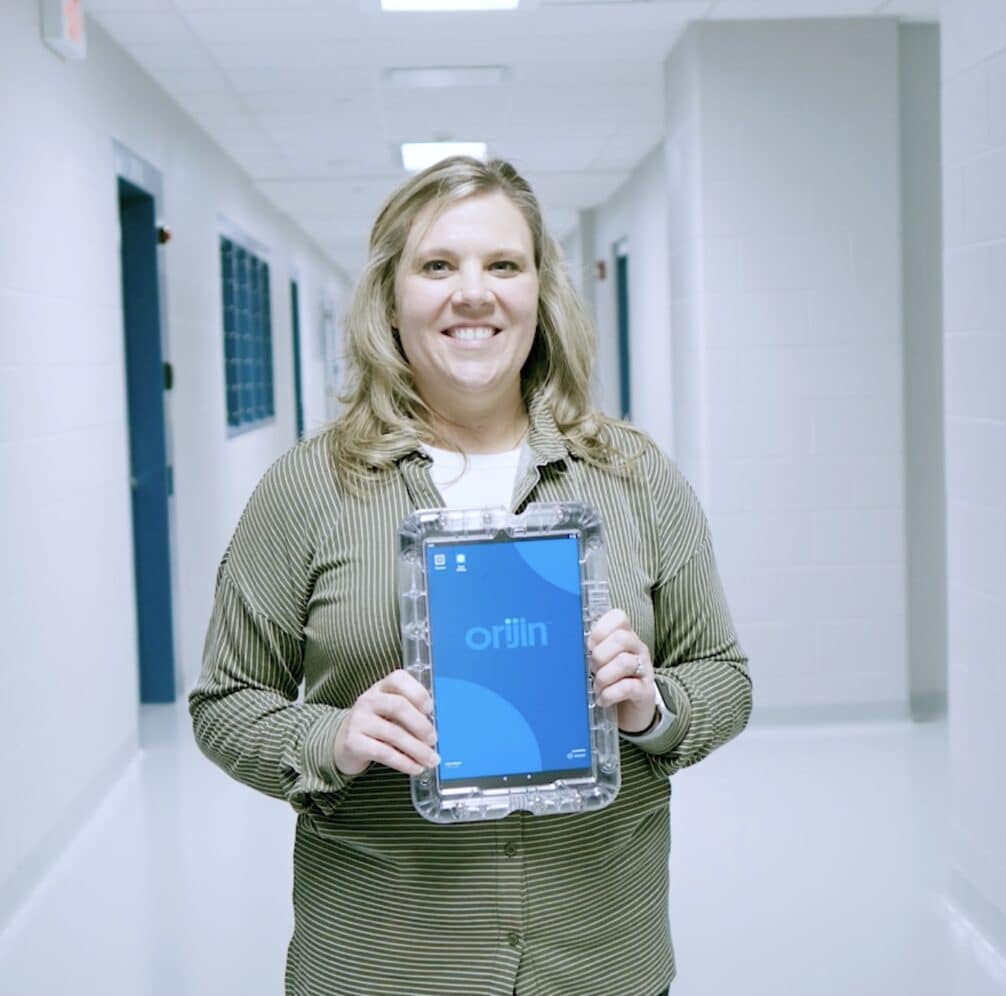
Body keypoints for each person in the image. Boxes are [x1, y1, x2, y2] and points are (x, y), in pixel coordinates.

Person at [189, 156, 751, 996]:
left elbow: (724, 677)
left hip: (598, 961)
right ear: (389, 297)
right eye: (438, 265)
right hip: (385, 962)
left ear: (539, 291)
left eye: (503, 265)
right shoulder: (309, 488)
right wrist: (332, 740)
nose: (474, 293)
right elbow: (225, 701)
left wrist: (652, 706)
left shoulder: (635, 475)